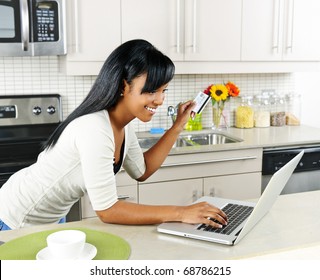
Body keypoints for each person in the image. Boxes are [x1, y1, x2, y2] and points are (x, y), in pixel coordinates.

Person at [0, 39, 227, 231]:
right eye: (151, 90)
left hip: (49, 216)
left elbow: (142, 170)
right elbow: (108, 210)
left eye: (163, 90)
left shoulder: (122, 125)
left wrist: (177, 126)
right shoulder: (94, 128)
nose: (159, 100)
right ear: (123, 86)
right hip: (15, 216)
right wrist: (182, 212)